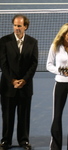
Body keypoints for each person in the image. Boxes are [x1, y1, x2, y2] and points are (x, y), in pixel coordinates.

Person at [0, 14, 38, 150]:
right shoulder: (4, 41)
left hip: (25, 86)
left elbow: (34, 64)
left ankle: (24, 141)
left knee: (24, 115)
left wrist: (24, 80)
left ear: (25, 27)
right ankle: (5, 141)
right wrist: (12, 80)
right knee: (7, 115)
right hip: (8, 86)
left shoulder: (33, 42)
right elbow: (3, 64)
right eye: (15, 25)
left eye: (19, 26)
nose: (17, 28)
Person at [46, 23, 68, 150]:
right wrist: (61, 71)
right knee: (57, 116)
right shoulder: (55, 46)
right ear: (63, 34)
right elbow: (49, 65)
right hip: (60, 84)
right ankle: (55, 146)